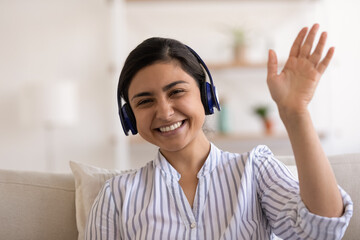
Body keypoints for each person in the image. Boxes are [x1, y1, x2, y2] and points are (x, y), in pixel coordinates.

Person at [85, 24, 353, 239]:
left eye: (176, 91)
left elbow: (322, 230)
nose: (164, 112)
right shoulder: (116, 196)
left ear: (206, 96)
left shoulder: (255, 169)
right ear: (129, 117)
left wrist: (296, 114)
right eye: (145, 101)